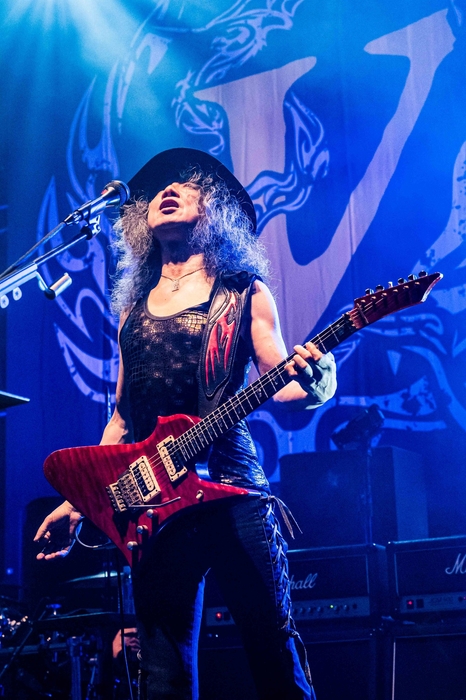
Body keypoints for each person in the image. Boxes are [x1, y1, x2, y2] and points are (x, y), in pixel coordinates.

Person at [34, 148, 337, 700]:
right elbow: (123, 417)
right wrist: (78, 501)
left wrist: (319, 380)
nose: (167, 191)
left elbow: (285, 388)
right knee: (163, 673)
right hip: (155, 506)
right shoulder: (132, 311)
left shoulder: (244, 291)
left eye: (187, 185)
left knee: (271, 649)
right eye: (157, 190)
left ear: (214, 208)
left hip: (231, 490)